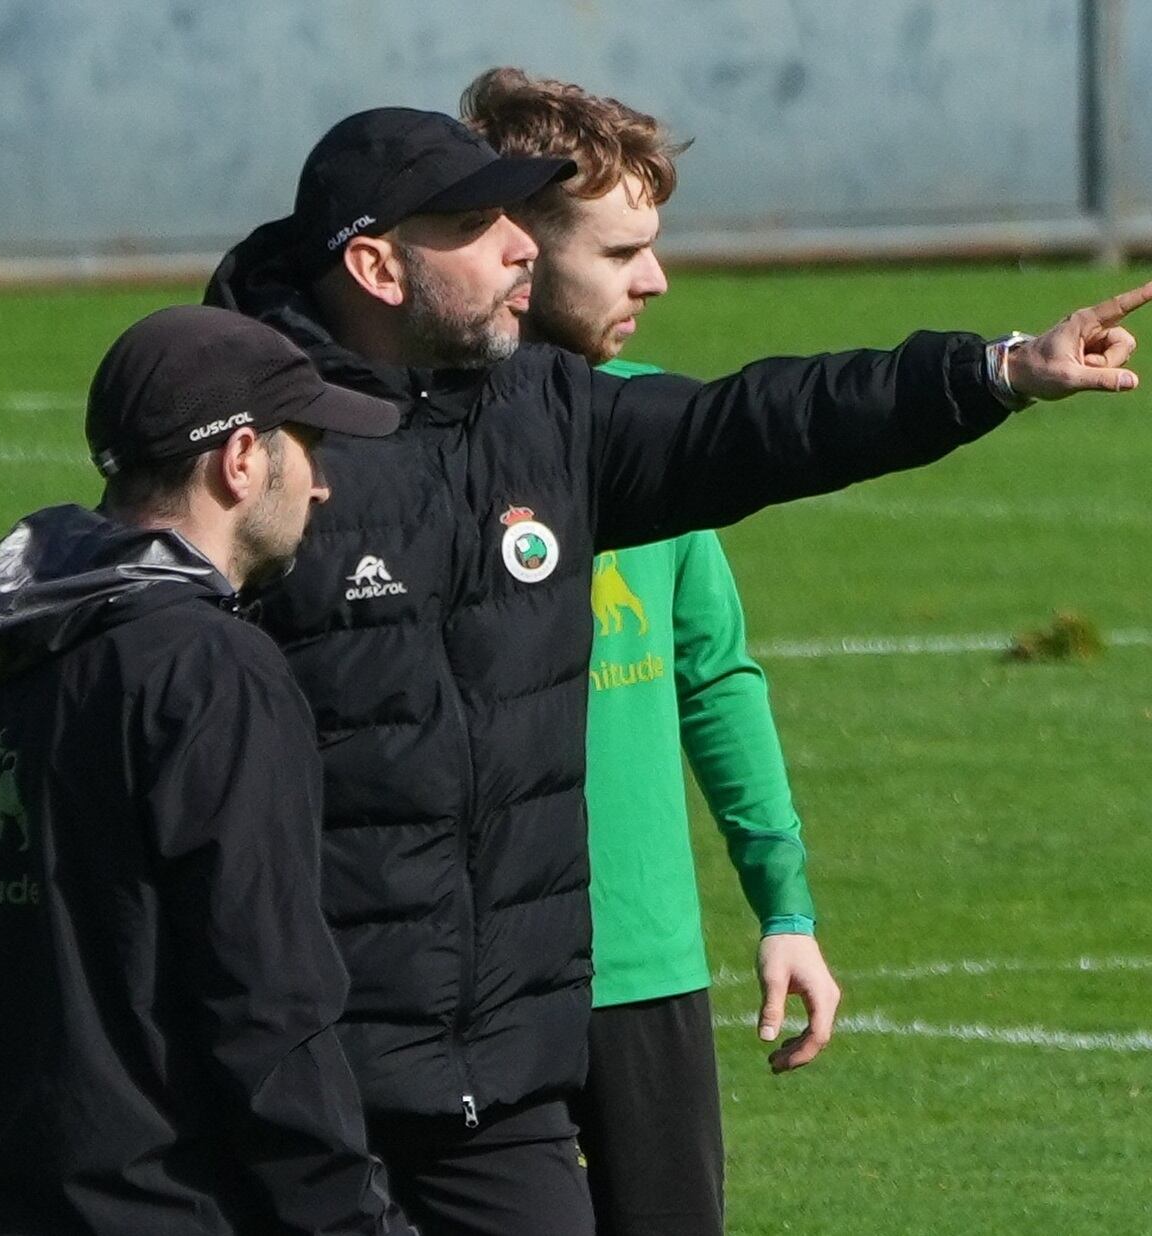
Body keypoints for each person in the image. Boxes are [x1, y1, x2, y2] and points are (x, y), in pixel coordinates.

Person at [205, 105, 1152, 1236]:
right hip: (308, 1074)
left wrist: (992, 373)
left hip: (497, 1077)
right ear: (374, 264)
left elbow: (757, 423)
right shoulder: (248, 454)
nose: (517, 245)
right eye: (475, 224)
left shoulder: (544, 415)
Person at [0, 305, 416, 1236]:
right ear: (239, 461)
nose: (322, 489)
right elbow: (266, 996)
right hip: (169, 1205)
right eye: (306, 446)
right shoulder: (213, 671)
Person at [462, 66, 838, 1236]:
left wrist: (784, 909)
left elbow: (715, 675)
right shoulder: (406, 452)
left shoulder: (649, 439)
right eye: (622, 253)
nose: (657, 279)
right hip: (468, 984)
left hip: (645, 965)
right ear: (519, 245)